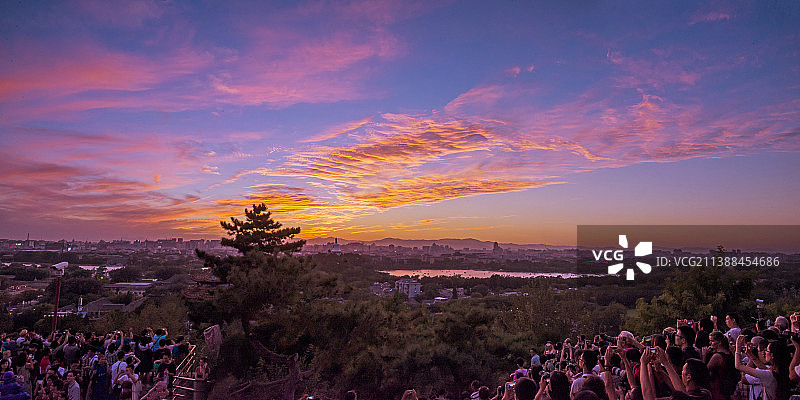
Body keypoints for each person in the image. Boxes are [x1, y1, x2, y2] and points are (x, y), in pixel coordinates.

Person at [734, 335, 790, 400]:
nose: (764, 352)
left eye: (767, 350)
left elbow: (738, 366)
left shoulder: (769, 375)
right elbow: (763, 368)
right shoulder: (780, 371)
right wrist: (751, 355)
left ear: (772, 355)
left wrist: (738, 347)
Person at [703, 332, 737, 400]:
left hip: (718, 389)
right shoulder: (730, 353)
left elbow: (704, 371)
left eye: (712, 341)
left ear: (719, 342)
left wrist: (704, 355)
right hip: (729, 388)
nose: (710, 343)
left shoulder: (717, 356)